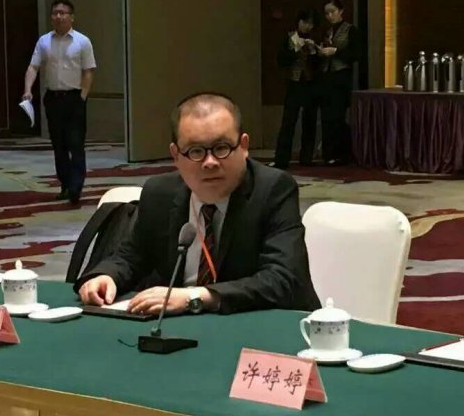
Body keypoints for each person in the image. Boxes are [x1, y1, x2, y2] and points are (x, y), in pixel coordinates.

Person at [76, 92, 320, 315]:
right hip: (181, 329)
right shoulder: (160, 193)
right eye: (195, 151)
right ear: (175, 155)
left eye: (222, 148)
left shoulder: (273, 189)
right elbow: (131, 256)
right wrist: (106, 277)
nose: (210, 162)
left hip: (260, 327)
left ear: (244, 146)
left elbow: (283, 279)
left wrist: (195, 297)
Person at [23, 0, 97, 204]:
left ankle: (76, 187)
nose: (58, 16)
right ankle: (65, 184)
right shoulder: (44, 41)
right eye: (55, 13)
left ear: (71, 17)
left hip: (74, 98)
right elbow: (33, 67)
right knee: (59, 145)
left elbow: (89, 71)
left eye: (63, 13)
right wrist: (27, 89)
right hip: (53, 98)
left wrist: (83, 95)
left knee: (76, 143)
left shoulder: (82, 41)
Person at [271, 8, 320, 169]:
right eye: (305, 22)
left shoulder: (314, 39)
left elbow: (319, 65)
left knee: (310, 121)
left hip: (310, 84)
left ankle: (307, 157)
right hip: (294, 83)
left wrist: (314, 52)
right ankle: (281, 159)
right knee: (288, 121)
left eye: (310, 24)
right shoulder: (289, 38)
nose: (307, 26)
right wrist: (296, 50)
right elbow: (281, 60)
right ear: (298, 22)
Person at [318, 0, 362, 166]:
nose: (330, 16)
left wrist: (335, 51)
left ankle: (342, 153)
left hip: (341, 76)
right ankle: (328, 154)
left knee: (338, 116)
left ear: (341, 11)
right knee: (326, 117)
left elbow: (356, 53)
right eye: (327, 13)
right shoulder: (327, 31)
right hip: (327, 76)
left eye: (333, 12)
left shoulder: (350, 30)